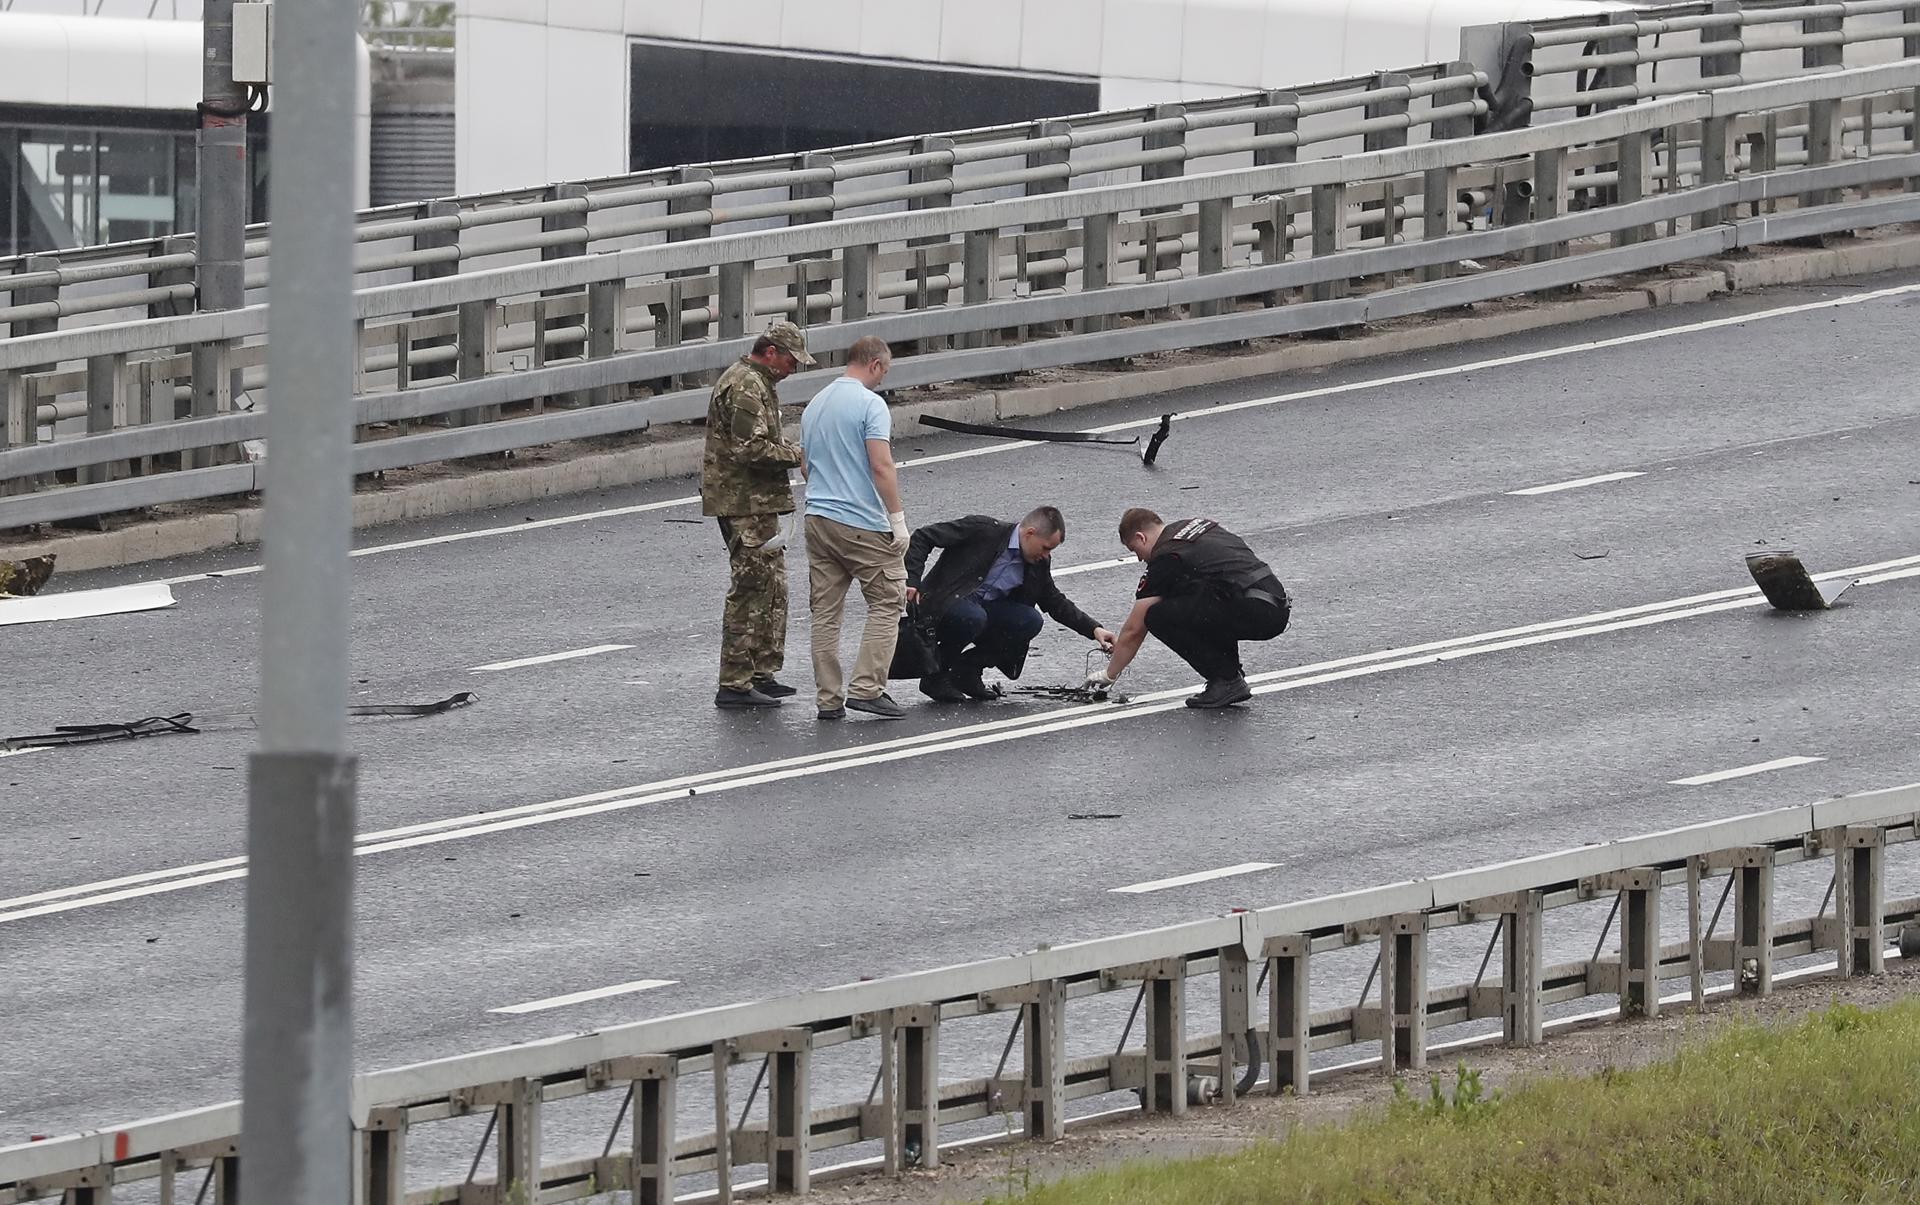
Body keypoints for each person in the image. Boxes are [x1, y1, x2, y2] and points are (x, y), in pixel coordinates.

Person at [701, 321, 814, 709]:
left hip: (758, 502)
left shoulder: (758, 382)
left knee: (772, 588)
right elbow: (750, 449)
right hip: (743, 502)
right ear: (770, 352)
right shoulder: (746, 385)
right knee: (750, 591)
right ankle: (734, 682)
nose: (792, 368)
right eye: (790, 360)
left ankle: (760, 673)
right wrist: (797, 455)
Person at [799, 336, 910, 721]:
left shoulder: (815, 404)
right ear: (876, 365)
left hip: (817, 518)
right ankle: (867, 687)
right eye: (885, 372)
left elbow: (805, 466)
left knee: (825, 613)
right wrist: (897, 519)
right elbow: (881, 466)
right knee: (888, 599)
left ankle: (828, 698)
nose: (882, 380)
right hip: (859, 521)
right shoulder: (870, 404)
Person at [904, 507, 1116, 702]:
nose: (1046, 555)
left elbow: (1054, 600)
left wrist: (1093, 628)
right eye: (1045, 548)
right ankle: (935, 676)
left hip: (979, 614)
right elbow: (924, 536)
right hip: (943, 605)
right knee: (973, 616)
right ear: (1029, 533)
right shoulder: (983, 530)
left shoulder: (1037, 563)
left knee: (1030, 621)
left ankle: (966, 670)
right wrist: (912, 581)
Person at [1089, 509, 1290, 709]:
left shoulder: (1167, 556)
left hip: (1257, 610)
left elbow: (1135, 629)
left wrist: (1110, 673)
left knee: (1158, 616)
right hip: (1273, 601)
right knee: (1194, 599)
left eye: (1134, 550)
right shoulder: (1196, 526)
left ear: (1141, 537)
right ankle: (1228, 674)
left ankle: (1226, 680)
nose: (1140, 559)